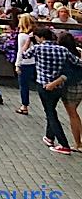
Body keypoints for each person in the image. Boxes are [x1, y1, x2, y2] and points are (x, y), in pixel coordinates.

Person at [25, 26, 82, 154]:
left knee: (54, 113)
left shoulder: (39, 48)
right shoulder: (65, 51)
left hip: (49, 85)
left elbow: (24, 55)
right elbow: (78, 63)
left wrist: (27, 42)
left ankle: (67, 144)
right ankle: (50, 137)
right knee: (52, 110)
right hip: (62, 87)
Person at [14, 13, 37, 115]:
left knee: (23, 85)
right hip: (34, 62)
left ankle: (24, 105)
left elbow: (20, 51)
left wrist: (17, 64)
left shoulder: (22, 36)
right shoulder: (34, 34)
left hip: (24, 62)